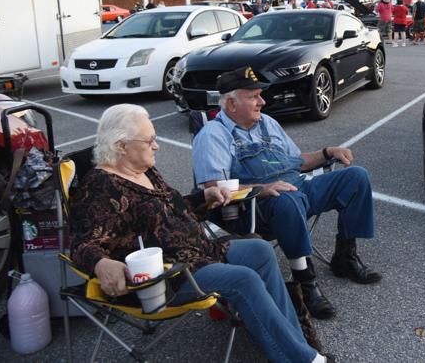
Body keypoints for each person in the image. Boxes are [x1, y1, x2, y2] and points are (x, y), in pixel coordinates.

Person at [70, 104, 329, 363]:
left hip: (201, 252)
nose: (157, 146)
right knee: (243, 279)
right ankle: (303, 359)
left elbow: (168, 207)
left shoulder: (145, 170)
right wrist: (102, 263)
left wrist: (203, 197)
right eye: (150, 141)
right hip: (170, 273)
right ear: (121, 146)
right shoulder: (99, 187)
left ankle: (291, 340)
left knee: (260, 250)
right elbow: (83, 242)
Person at [192, 67, 381, 320]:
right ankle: (305, 282)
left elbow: (298, 162)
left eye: (260, 95)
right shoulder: (213, 135)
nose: (262, 101)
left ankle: (344, 257)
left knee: (356, 177)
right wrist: (261, 189)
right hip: (255, 208)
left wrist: (327, 152)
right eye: (254, 96)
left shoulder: (267, 122)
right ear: (231, 103)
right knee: (287, 199)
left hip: (296, 188)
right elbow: (214, 189)